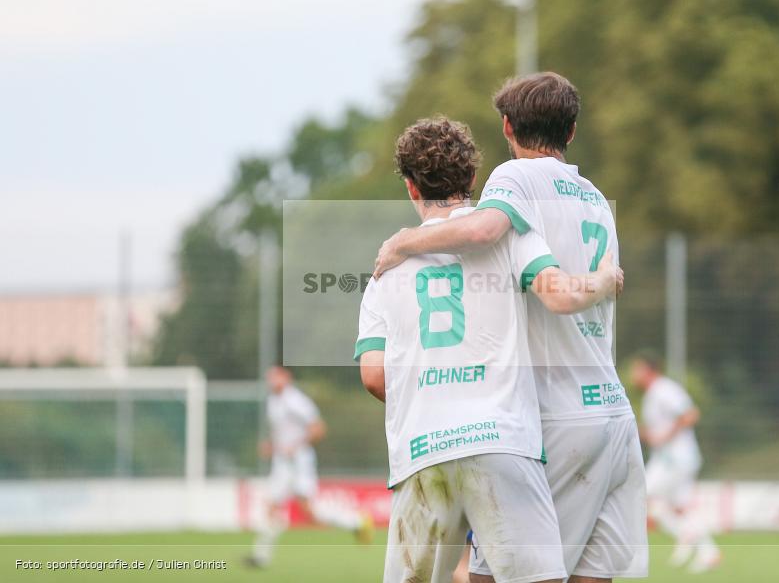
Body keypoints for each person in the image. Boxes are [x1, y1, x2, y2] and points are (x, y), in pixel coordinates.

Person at [374, 73, 648, 582]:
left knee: (502, 575)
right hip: (613, 415)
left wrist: (405, 242)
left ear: (506, 126)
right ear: (571, 132)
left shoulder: (515, 181)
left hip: (559, 415)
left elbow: (481, 230)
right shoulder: (595, 199)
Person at [247, 366, 373, 568]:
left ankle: (357, 522)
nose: (271, 380)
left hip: (300, 461)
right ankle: (261, 557)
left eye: (275, 376)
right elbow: (283, 433)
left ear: (286, 377)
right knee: (271, 504)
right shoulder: (273, 401)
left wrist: (295, 447)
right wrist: (272, 446)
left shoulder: (296, 401)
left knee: (309, 512)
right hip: (282, 463)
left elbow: (318, 428)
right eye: (269, 377)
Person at [629, 352, 721, 573]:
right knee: (679, 508)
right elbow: (657, 430)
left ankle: (684, 536)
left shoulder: (664, 390)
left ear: (649, 370)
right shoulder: (653, 394)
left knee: (640, 495)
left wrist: (665, 437)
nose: (633, 374)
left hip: (674, 459)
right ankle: (709, 553)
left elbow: (690, 415)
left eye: (637, 369)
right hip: (672, 458)